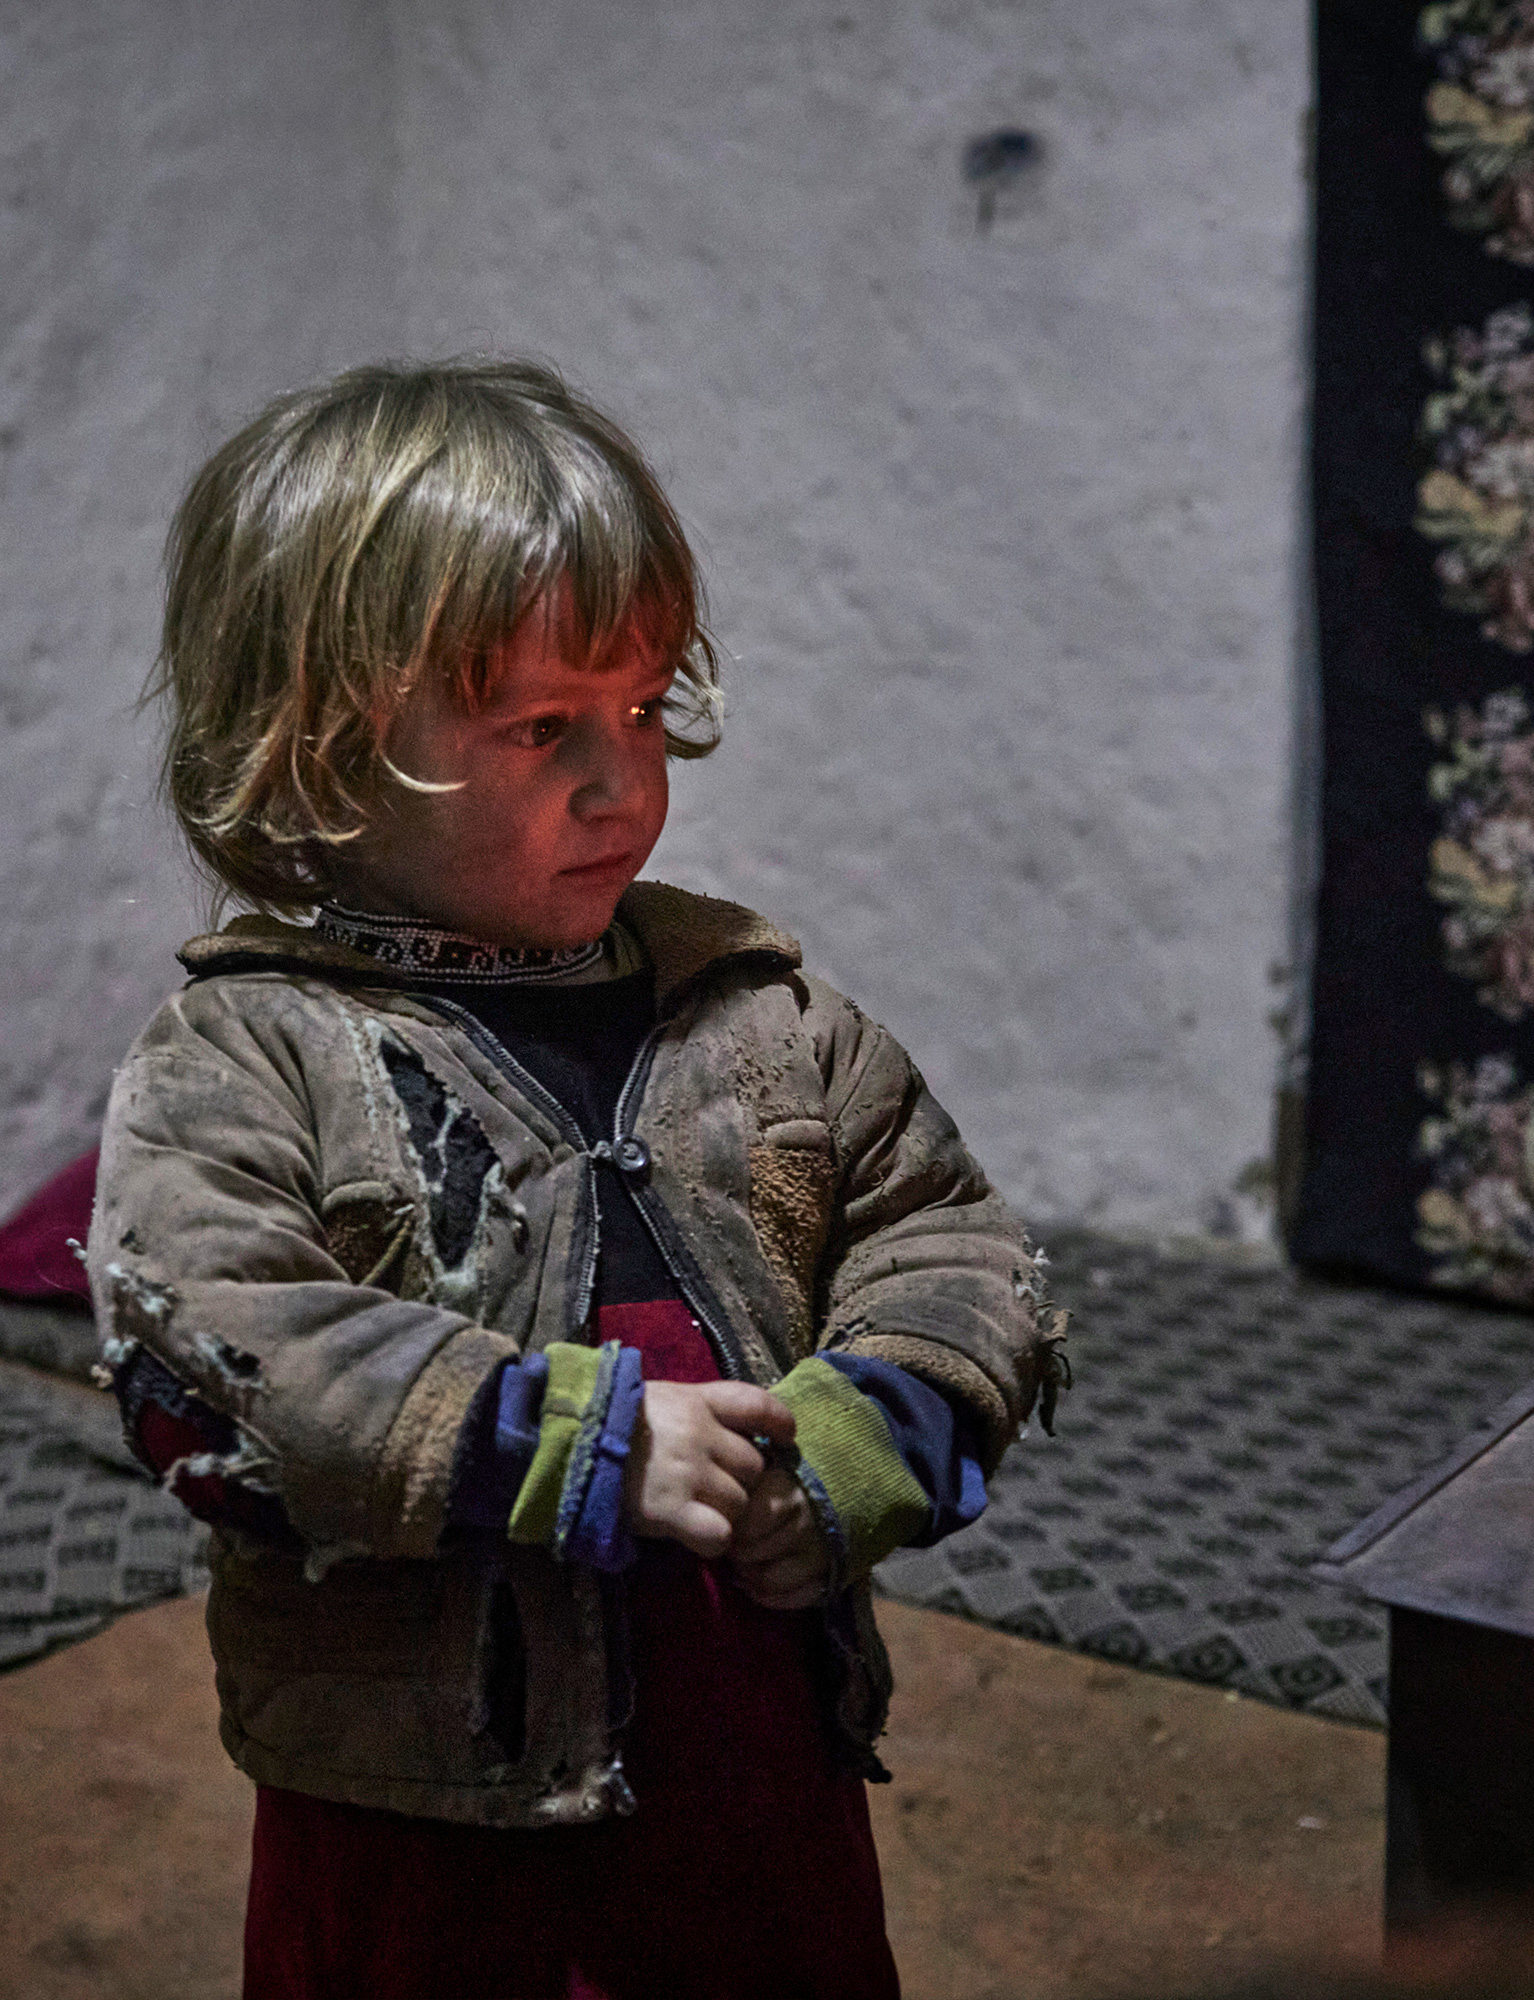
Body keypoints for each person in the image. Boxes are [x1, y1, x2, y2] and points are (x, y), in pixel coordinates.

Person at [86, 358, 1067, 1999]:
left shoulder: (765, 1022)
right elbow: (214, 1357)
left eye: (645, 709)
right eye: (544, 728)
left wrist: (865, 1441)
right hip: (425, 1829)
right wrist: (567, 1445)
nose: (626, 786)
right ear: (316, 752)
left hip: (757, 1785)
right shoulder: (249, 1055)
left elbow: (950, 1243)